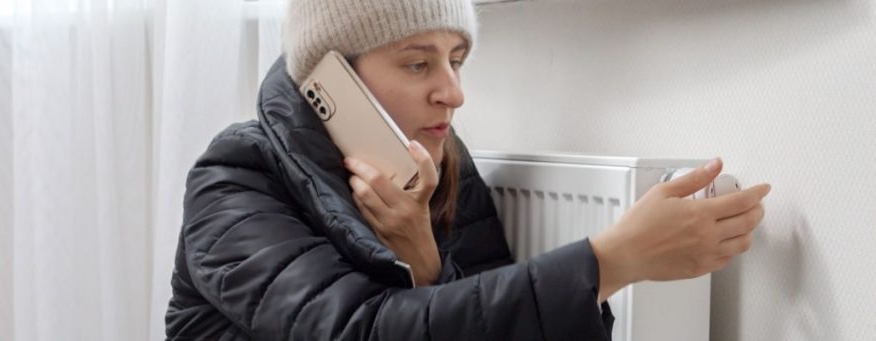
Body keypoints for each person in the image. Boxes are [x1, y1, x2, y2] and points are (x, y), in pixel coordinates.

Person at [165, 0, 772, 339]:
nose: (452, 93)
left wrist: (425, 260)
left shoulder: (440, 165)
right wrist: (610, 261)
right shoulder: (237, 176)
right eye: (417, 64)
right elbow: (356, 332)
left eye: (456, 60)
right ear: (328, 82)